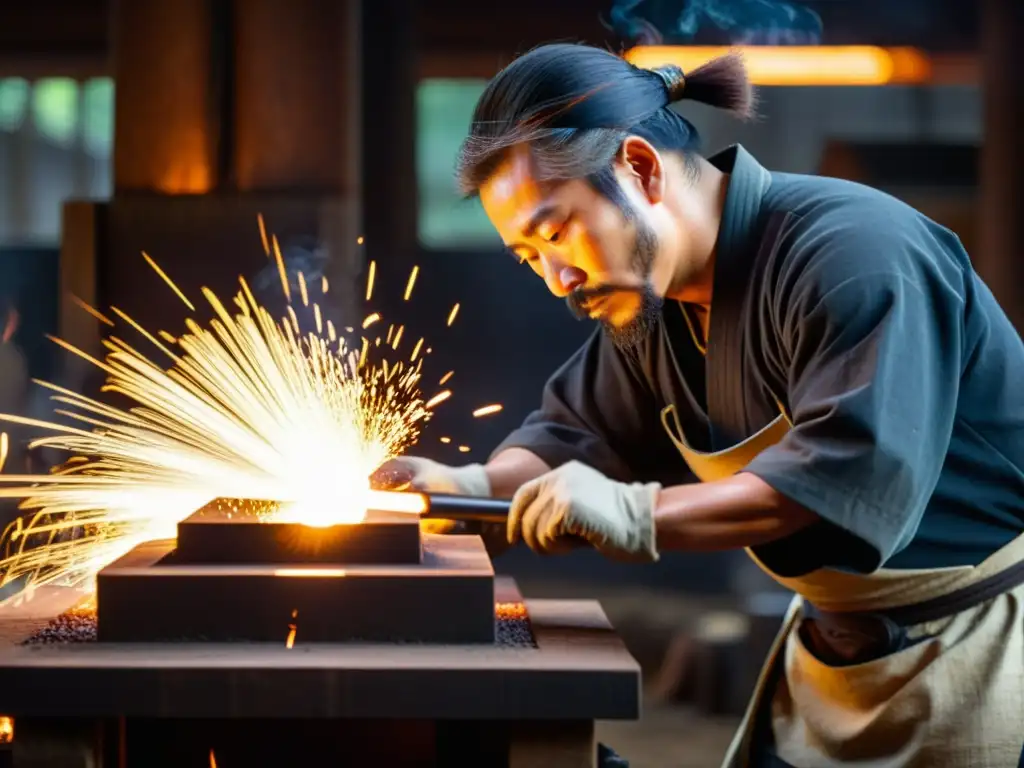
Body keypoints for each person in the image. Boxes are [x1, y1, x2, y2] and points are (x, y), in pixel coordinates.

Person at [389, 43, 1024, 767]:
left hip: (982, 649)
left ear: (641, 168)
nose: (558, 279)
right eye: (529, 257)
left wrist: (636, 515)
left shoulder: (856, 253)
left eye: (557, 231)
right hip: (833, 657)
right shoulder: (648, 302)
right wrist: (468, 489)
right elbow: (576, 434)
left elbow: (839, 482)